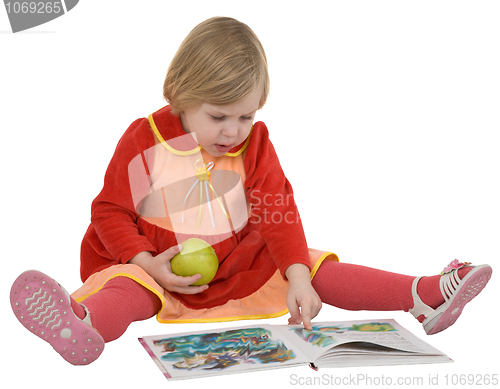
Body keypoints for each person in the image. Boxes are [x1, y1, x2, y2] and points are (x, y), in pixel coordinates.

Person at [10, 16, 492, 366]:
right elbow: (109, 212)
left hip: (238, 263)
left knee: (313, 262)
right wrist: (143, 260)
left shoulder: (255, 144)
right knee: (130, 290)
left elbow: (277, 210)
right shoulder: (145, 138)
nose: (234, 130)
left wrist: (299, 276)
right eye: (218, 117)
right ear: (179, 94)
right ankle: (83, 322)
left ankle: (424, 294)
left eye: (247, 115)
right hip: (158, 268)